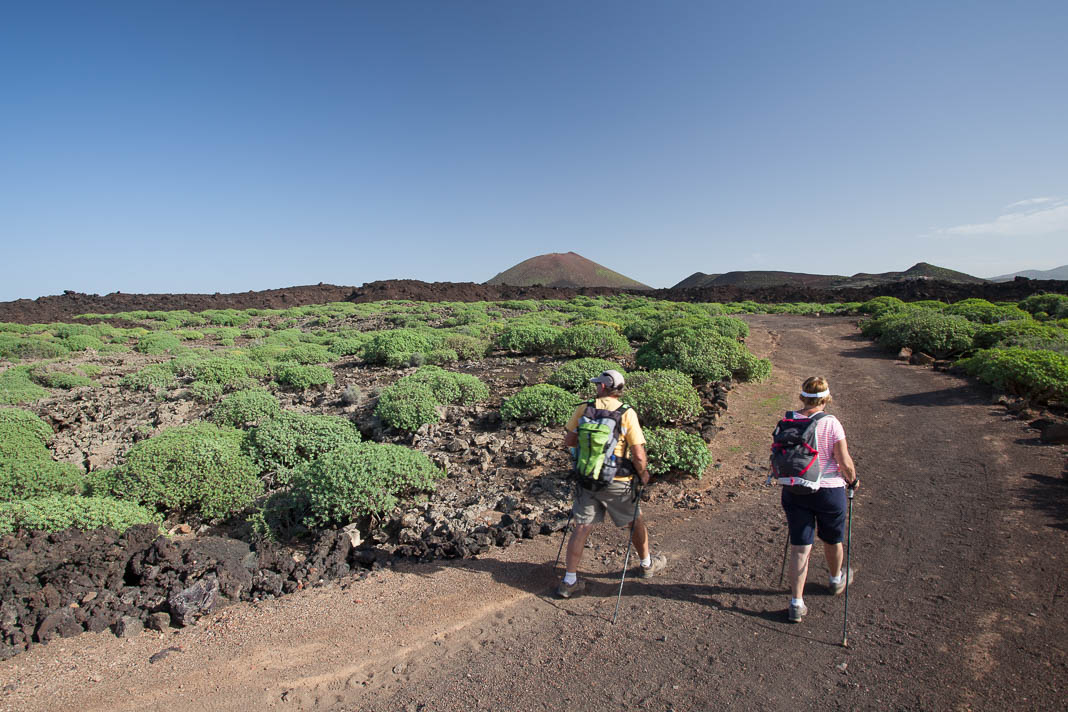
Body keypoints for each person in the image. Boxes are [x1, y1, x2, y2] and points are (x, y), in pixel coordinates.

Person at [557, 369, 666, 598]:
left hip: (587, 478)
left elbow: (569, 440)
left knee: (582, 527)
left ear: (604, 387)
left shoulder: (584, 408)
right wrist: (643, 474)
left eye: (598, 384)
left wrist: (586, 460)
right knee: (634, 521)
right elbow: (638, 454)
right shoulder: (627, 413)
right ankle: (646, 565)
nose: (596, 387)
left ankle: (569, 581)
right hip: (617, 480)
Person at [778, 376, 858, 623]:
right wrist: (853, 481)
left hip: (795, 488)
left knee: (800, 546)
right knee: (833, 539)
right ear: (825, 398)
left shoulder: (788, 420)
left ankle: (796, 603)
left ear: (803, 396)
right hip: (828, 491)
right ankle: (835, 580)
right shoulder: (832, 423)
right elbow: (844, 462)